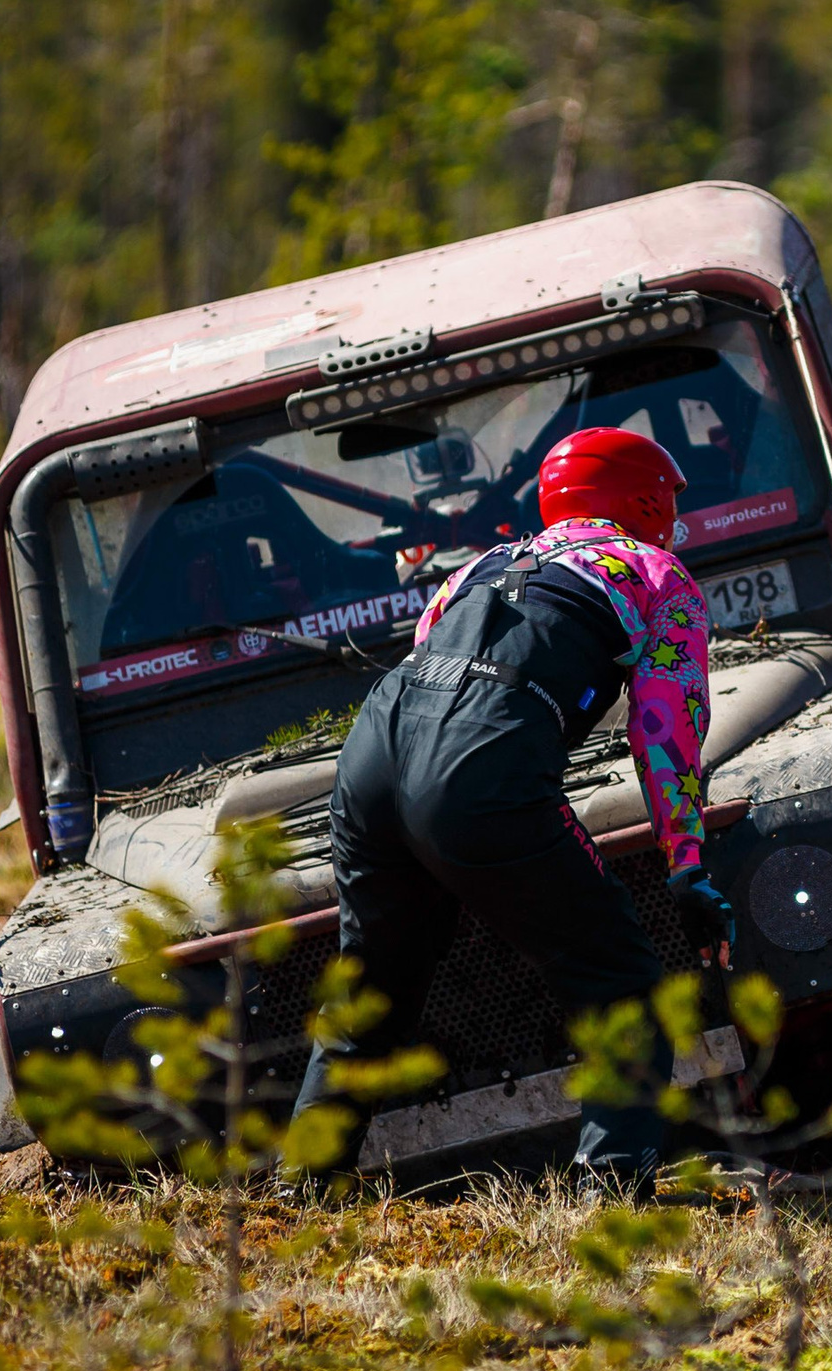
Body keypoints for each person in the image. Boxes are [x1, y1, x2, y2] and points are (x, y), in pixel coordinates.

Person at [292, 426, 736, 1186]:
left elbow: (426, 668)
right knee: (618, 973)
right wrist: (687, 862)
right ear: (644, 499)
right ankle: (615, 1183)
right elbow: (666, 726)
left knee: (370, 993)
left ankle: (294, 1189)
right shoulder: (657, 571)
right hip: (481, 762)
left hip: (370, 754)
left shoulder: (476, 567)